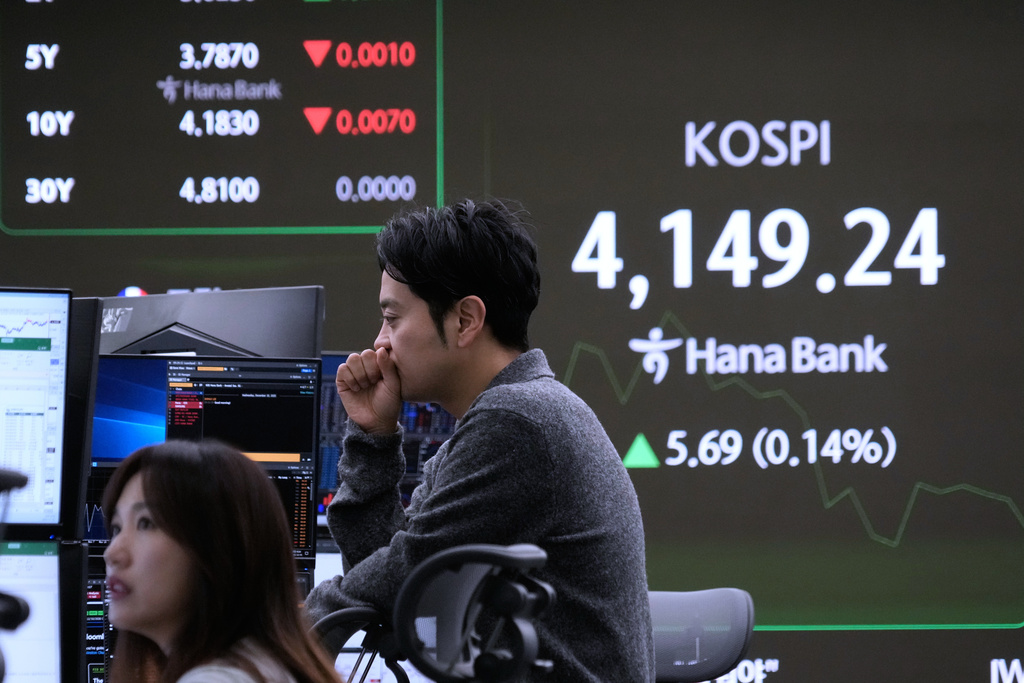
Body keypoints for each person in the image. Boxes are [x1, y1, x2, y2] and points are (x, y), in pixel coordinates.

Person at [306, 199, 656, 681]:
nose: (380, 342)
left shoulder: (518, 421)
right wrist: (373, 436)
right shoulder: (502, 420)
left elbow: (402, 573)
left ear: (466, 320)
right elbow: (395, 586)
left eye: (392, 318)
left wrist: (281, 635)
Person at [102, 439, 341, 683]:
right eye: (116, 528)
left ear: (218, 547)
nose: (112, 553)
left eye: (146, 523)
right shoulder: (259, 665)